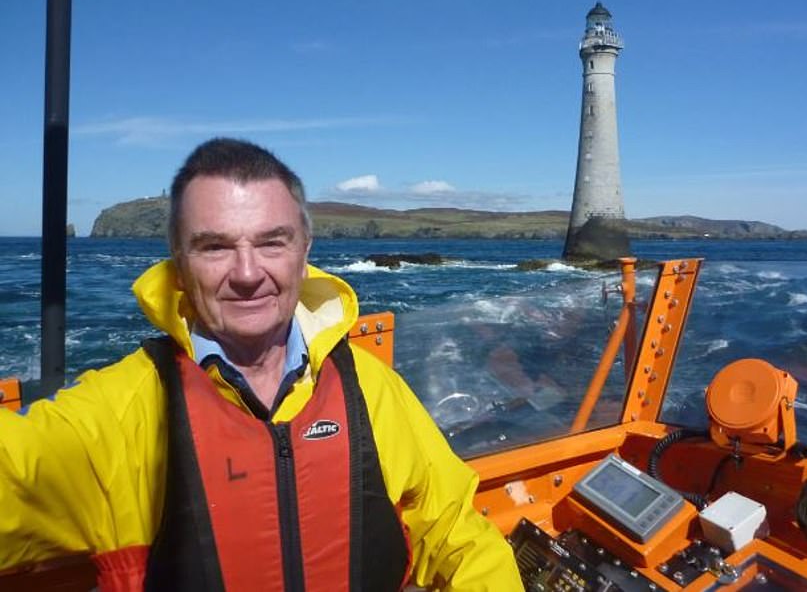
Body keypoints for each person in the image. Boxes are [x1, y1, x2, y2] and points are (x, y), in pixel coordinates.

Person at [0, 138, 523, 591]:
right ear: (178, 263)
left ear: (304, 250)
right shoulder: (123, 413)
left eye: (272, 241)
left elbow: (460, 536)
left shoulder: (370, 388)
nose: (248, 273)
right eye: (215, 247)